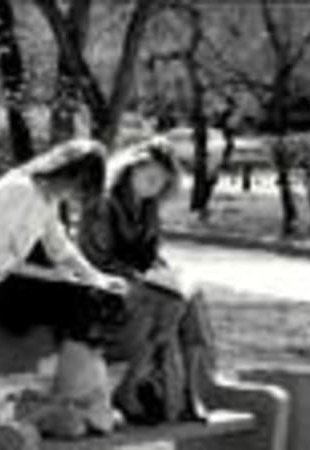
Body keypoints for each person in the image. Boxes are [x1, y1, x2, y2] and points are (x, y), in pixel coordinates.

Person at [0, 138, 129, 436]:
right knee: (82, 302)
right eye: (79, 188)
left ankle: (79, 401)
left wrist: (96, 277)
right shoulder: (18, 191)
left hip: (16, 283)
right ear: (67, 173)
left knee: (103, 298)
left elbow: (59, 247)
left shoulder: (46, 196)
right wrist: (51, 277)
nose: (75, 197)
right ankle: (69, 403)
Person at [78, 137, 216, 424]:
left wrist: (167, 274)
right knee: (169, 303)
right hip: (102, 287)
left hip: (142, 288)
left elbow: (150, 254)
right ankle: (132, 387)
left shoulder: (148, 208)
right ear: (131, 170)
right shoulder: (102, 204)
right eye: (151, 178)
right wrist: (139, 277)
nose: (155, 187)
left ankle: (191, 391)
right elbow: (96, 259)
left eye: (162, 182)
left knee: (191, 298)